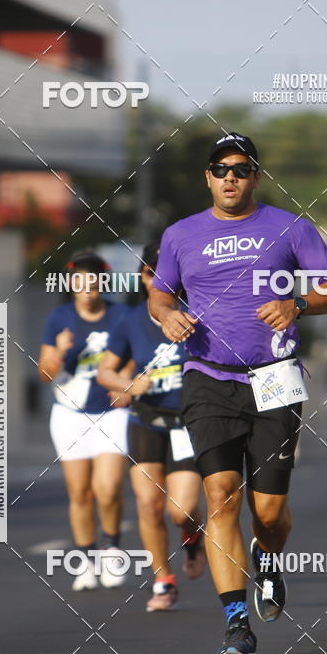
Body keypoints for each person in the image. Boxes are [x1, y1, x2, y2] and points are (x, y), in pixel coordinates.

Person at [149, 132, 327, 654]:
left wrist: (299, 304)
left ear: (256, 175)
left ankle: (267, 557)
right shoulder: (179, 234)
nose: (230, 177)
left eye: (240, 169)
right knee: (219, 495)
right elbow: (160, 290)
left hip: (274, 377)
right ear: (207, 177)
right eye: (220, 169)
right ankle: (236, 621)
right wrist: (166, 313)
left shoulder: (291, 227)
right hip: (207, 377)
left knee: (269, 513)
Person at [97, 242, 207, 611]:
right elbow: (105, 371)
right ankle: (163, 581)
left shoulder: (199, 311)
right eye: (151, 274)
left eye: (167, 275)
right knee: (147, 505)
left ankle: (192, 536)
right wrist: (126, 386)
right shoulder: (130, 320)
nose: (158, 281)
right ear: (143, 277)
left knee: (182, 509)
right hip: (145, 421)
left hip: (187, 423)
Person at [38, 249, 131, 591]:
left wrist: (126, 385)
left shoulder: (121, 315)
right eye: (80, 281)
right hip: (69, 414)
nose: (87, 289)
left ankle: (111, 548)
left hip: (111, 414)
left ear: (102, 284)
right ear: (71, 284)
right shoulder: (59, 317)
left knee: (107, 489)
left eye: (93, 282)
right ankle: (86, 560)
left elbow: (136, 358)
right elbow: (46, 374)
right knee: (79, 492)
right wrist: (60, 351)